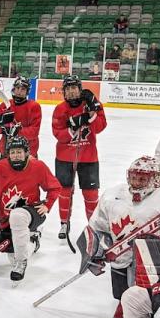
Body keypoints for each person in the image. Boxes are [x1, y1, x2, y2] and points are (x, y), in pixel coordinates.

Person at [86, 156, 160, 318]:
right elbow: (97, 224)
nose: (136, 183)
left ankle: (147, 306)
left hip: (150, 255)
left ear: (155, 180)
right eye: (133, 177)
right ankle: (124, 303)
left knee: (149, 282)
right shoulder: (113, 195)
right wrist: (95, 250)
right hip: (119, 252)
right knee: (120, 280)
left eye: (142, 179)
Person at [0, 136, 61, 284]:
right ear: (8, 154)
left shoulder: (38, 166)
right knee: (6, 248)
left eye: (19, 152)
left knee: (17, 216)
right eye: (12, 152)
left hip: (32, 212)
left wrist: (47, 204)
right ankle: (33, 240)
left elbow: (55, 187)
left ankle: (21, 263)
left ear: (26, 153)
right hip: (7, 217)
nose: (16, 155)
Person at [51, 75, 106, 243]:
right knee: (64, 191)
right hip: (64, 157)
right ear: (64, 92)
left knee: (91, 193)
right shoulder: (60, 109)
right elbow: (58, 135)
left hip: (88, 157)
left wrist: (91, 112)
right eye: (67, 89)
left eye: (74, 88)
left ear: (80, 89)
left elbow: (100, 127)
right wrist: (72, 128)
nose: (71, 91)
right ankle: (64, 223)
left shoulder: (90, 105)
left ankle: (93, 225)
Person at [0, 76, 42, 158]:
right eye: (17, 88)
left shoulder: (34, 106)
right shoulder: (4, 105)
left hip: (27, 154)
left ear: (27, 92)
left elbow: (34, 131)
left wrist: (17, 131)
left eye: (23, 89)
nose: (19, 91)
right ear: (13, 89)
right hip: (7, 152)